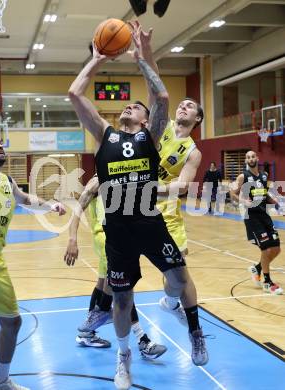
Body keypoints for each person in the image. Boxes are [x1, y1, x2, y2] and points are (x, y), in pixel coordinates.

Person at [69, 22, 197, 389]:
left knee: (177, 279)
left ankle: (174, 312)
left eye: (135, 107)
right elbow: (75, 94)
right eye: (126, 105)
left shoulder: (149, 137)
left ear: (145, 121)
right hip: (117, 229)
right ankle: (124, 353)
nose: (128, 107)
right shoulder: (104, 134)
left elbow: (163, 100)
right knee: (120, 297)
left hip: (150, 222)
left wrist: (142, 59)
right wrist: (96, 59)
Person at [131, 19, 208, 366]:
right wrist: (146, 49)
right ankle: (124, 338)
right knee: (113, 277)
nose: (183, 106)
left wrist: (155, 189)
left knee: (177, 281)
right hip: (133, 213)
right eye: (183, 103)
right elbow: (156, 85)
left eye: (191, 106)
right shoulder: (158, 125)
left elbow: (181, 187)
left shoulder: (192, 151)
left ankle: (175, 308)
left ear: (198, 119)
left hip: (166, 216)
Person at [0, 132, 66, 390]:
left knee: (12, 322)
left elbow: (26, 200)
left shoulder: (8, 182)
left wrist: (50, 206)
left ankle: (1, 382)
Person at [64, 175, 168, 359]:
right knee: (123, 288)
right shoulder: (99, 178)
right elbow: (78, 208)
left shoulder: (121, 175)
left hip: (114, 236)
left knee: (103, 283)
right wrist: (72, 238)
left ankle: (87, 332)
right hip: (106, 237)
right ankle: (141, 340)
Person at [230, 150, 282, 294]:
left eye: (253, 156)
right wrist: (243, 200)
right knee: (265, 249)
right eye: (248, 157)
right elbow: (232, 193)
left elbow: (265, 195)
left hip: (264, 215)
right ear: (246, 161)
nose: (251, 158)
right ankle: (267, 282)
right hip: (252, 217)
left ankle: (257, 268)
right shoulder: (243, 176)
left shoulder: (264, 175)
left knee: (276, 248)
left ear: (257, 158)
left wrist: (276, 203)